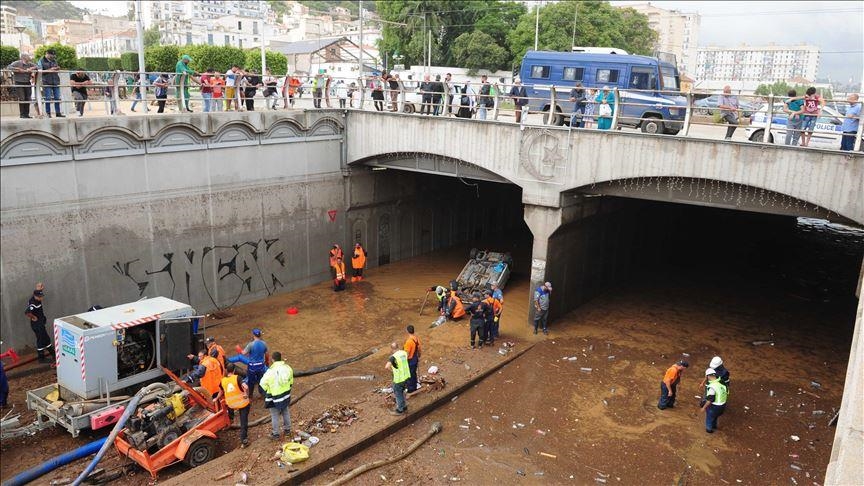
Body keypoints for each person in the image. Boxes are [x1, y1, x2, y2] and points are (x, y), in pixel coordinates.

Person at [260, 351, 293, 440]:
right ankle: (287, 430)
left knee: (274, 415)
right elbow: (291, 380)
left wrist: (268, 390)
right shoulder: (287, 368)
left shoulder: (270, 371)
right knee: (285, 411)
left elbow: (262, 383)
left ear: (273, 359)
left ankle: (276, 434)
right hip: (285, 395)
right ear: (280, 358)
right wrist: (288, 388)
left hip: (275, 397)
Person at [229, 328, 268, 400]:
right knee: (261, 380)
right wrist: (267, 363)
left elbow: (243, 353)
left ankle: (250, 396)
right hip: (261, 366)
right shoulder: (264, 343)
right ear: (260, 335)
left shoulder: (251, 344)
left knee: (251, 381)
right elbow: (266, 354)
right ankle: (263, 394)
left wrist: (239, 349)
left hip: (252, 367)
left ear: (253, 335)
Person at [220, 362, 251, 447]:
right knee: (243, 421)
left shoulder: (223, 380)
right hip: (242, 403)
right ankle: (244, 440)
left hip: (231, 405)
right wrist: (245, 393)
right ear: (234, 370)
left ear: (227, 370)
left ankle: (231, 418)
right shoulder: (238, 378)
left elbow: (221, 391)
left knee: (232, 412)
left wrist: (216, 398)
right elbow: (246, 386)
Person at [7, 53, 38, 119]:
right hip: (19, 82)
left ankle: (27, 114)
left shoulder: (30, 64)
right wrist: (17, 69)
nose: (29, 57)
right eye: (28, 56)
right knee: (22, 98)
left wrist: (32, 68)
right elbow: (8, 67)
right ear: (23, 57)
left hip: (27, 82)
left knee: (28, 98)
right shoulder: (17, 63)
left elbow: (39, 66)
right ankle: (22, 114)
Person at [25, 289, 52, 363]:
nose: (41, 298)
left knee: (46, 338)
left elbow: (36, 291)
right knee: (41, 340)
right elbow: (27, 312)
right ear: (35, 296)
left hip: (40, 323)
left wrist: (39, 288)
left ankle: (53, 354)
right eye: (40, 297)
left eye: (41, 296)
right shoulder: (33, 304)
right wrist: (34, 317)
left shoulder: (35, 299)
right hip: (37, 325)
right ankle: (41, 358)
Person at [385, 342, 410, 415]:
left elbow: (387, 367)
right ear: (398, 347)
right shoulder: (404, 353)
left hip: (398, 379)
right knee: (402, 392)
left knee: (398, 394)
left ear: (392, 349)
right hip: (406, 376)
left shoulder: (393, 357)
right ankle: (404, 406)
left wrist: (392, 371)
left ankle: (400, 410)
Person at [37, 49, 64, 118]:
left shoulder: (54, 60)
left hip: (55, 81)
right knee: (48, 98)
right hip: (46, 81)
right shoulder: (41, 61)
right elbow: (40, 71)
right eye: (52, 55)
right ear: (47, 54)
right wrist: (50, 70)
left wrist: (57, 68)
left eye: (54, 55)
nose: (53, 56)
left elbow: (56, 68)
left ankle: (58, 112)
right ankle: (48, 113)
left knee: (57, 98)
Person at [701, 368, 728, 433]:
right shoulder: (722, 382)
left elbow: (710, 400)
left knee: (709, 417)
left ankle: (709, 429)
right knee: (715, 416)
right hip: (723, 404)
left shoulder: (712, 386)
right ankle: (714, 426)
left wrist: (704, 408)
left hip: (715, 406)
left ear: (707, 376)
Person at [403, 325, 421, 393]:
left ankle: (411, 389)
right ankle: (415, 386)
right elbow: (419, 349)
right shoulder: (416, 339)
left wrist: (403, 362)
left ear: (407, 331)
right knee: (413, 373)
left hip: (410, 360)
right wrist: (419, 356)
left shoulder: (408, 342)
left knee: (409, 374)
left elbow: (406, 353)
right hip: (415, 358)